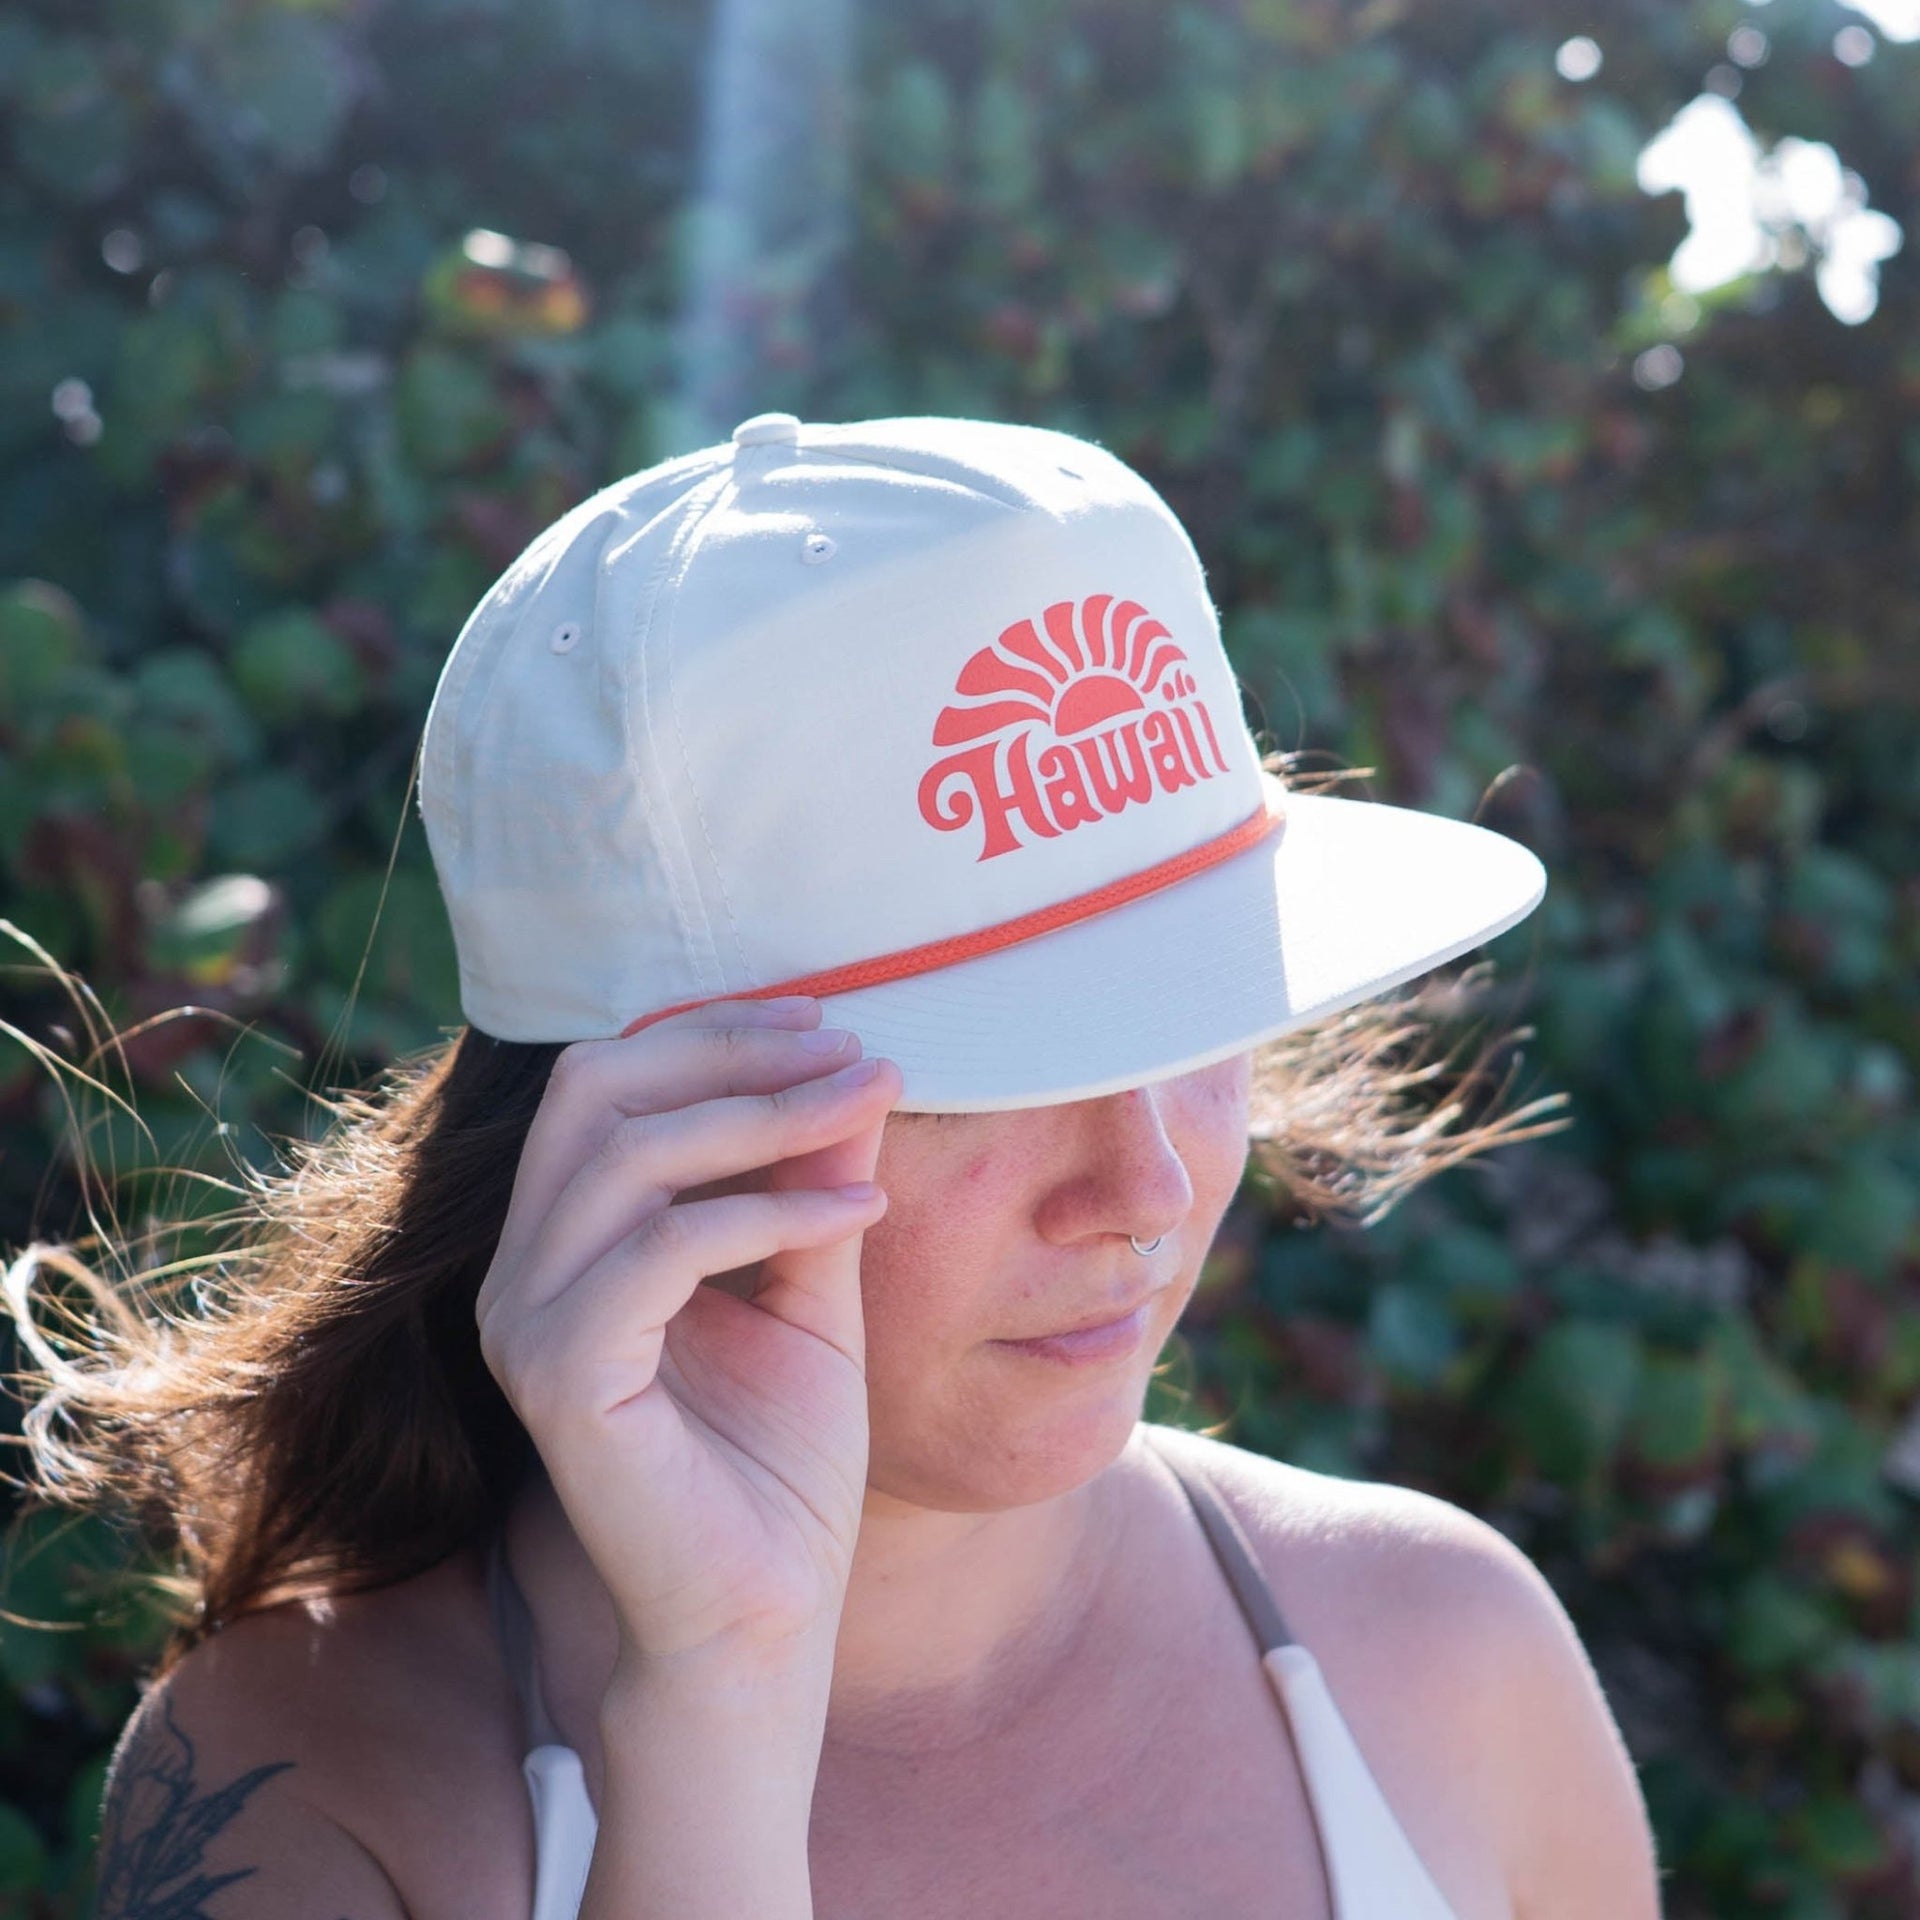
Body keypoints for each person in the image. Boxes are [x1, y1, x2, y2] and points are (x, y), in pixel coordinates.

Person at [7, 413, 1662, 1919]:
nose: (1146, 1190)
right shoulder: (321, 1786)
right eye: (978, 1082)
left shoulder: (1446, 1658)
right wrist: (720, 1696)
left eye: (1195, 1017)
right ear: (622, 1142)